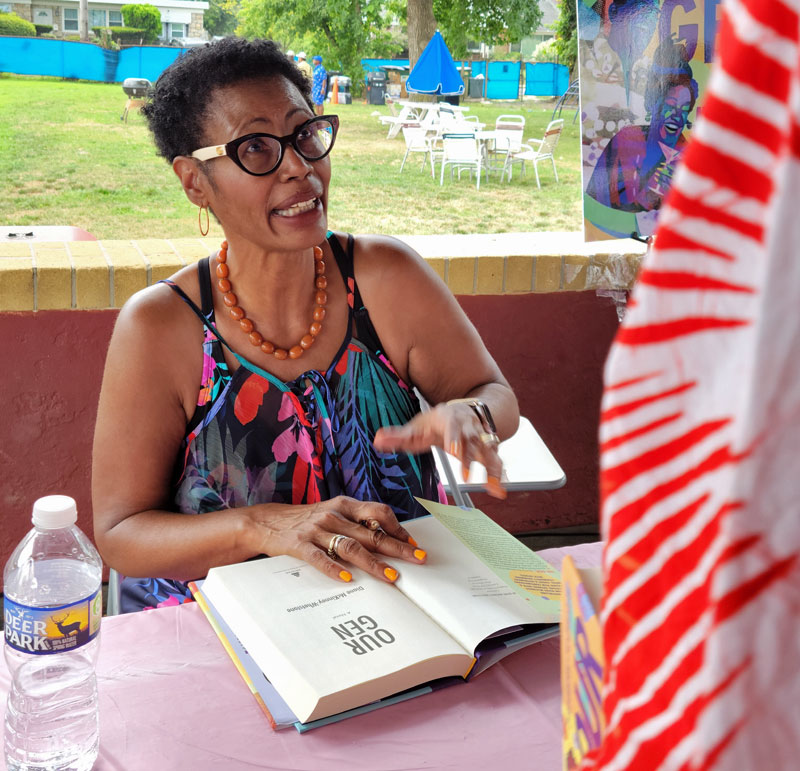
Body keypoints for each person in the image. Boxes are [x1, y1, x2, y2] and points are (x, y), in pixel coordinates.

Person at [92, 38, 519, 613]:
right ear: (194, 180)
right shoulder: (162, 326)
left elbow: (493, 395)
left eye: (304, 135)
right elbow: (122, 533)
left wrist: (474, 414)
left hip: (411, 604)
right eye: (256, 147)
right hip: (228, 626)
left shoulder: (386, 278)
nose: (299, 167)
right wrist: (262, 527)